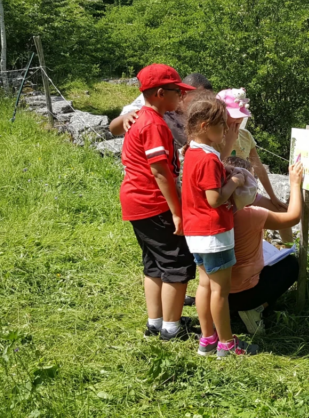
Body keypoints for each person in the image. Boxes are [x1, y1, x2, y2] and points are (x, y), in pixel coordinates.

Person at [119, 64, 197, 341]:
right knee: (177, 263)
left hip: (135, 202)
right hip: (153, 202)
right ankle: (172, 330)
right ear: (161, 93)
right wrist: (177, 212)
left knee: (154, 264)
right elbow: (159, 171)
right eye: (178, 92)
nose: (181, 97)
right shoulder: (153, 123)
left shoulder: (143, 120)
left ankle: (156, 322)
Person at [181, 97, 257, 358]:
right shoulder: (209, 161)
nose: (226, 131)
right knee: (220, 292)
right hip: (214, 232)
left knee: (204, 286)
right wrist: (234, 181)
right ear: (204, 126)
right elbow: (215, 199)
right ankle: (226, 343)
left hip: (196, 232)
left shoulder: (190, 152)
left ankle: (208, 339)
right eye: (222, 127)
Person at [228, 162, 305, 335]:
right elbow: (292, 218)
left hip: (219, 294)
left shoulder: (211, 212)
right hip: (246, 294)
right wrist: (295, 184)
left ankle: (231, 313)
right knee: (291, 265)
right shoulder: (251, 215)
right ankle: (256, 308)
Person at [216, 88, 294, 244]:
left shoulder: (245, 136)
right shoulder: (214, 137)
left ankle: (289, 251)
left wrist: (273, 198)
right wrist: (229, 141)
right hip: (226, 196)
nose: (237, 121)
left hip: (246, 192)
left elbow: (258, 167)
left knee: (281, 211)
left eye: (240, 117)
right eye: (233, 117)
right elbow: (214, 165)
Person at [109, 73, 213, 149]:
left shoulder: (196, 115)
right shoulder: (154, 102)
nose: (202, 105)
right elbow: (115, 130)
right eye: (198, 98)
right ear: (184, 93)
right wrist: (125, 118)